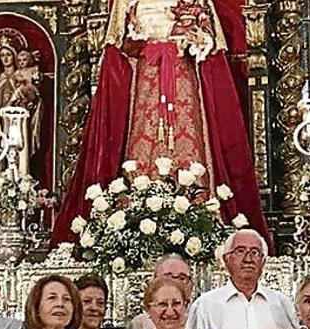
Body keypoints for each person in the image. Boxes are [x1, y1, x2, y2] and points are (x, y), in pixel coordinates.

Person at [53, 0, 270, 248]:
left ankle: (199, 216)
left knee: (189, 143)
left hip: (183, 79)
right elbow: (118, 46)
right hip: (146, 79)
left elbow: (210, 43)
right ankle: (136, 216)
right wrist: (139, 40)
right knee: (143, 144)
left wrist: (194, 39)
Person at [128, 254, 193, 329]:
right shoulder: (139, 325)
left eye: (182, 278)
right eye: (168, 277)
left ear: (191, 285)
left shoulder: (200, 318)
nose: (176, 283)